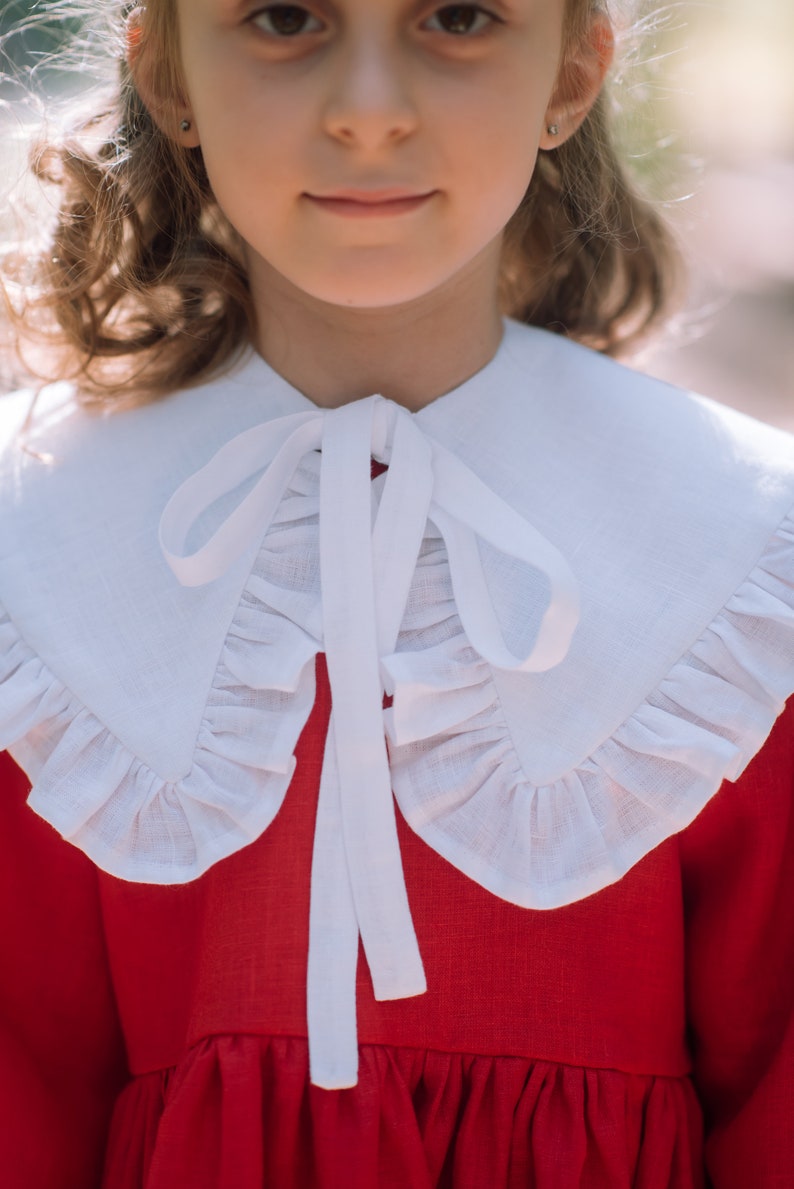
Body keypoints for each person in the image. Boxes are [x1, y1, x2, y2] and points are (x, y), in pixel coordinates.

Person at [0, 1, 792, 1186]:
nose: (368, 111)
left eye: (457, 17)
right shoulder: (39, 548)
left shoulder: (736, 560)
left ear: (570, 72)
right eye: (283, 17)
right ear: (169, 72)